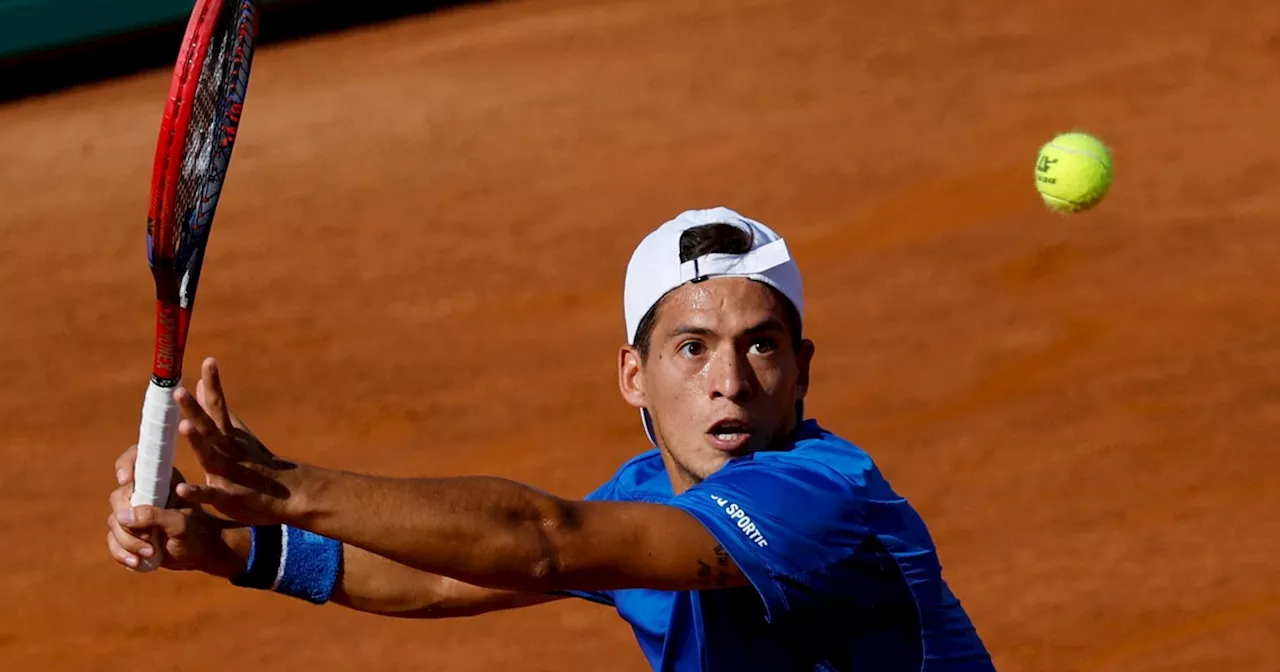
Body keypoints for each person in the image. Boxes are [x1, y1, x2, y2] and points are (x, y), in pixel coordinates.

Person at [107, 207, 995, 670]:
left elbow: (542, 544)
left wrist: (293, 488)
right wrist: (234, 547)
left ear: (801, 372)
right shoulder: (649, 499)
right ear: (632, 377)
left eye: (760, 346)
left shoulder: (819, 497)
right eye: (692, 348)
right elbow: (439, 577)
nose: (730, 380)